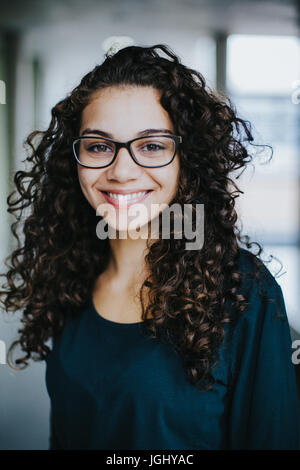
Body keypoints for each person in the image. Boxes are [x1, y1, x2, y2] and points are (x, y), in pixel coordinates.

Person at [1, 43, 299, 451]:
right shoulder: (71, 274)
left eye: (152, 146)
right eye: (99, 146)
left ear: (187, 160)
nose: (121, 171)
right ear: (76, 159)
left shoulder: (245, 290)